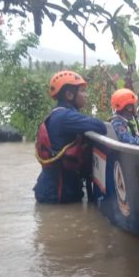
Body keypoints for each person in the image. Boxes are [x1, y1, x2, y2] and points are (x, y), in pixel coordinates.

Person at [34, 70, 107, 204]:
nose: (86, 95)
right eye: (82, 91)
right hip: (57, 194)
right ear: (69, 95)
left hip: (51, 190)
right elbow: (100, 127)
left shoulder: (58, 114)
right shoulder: (65, 117)